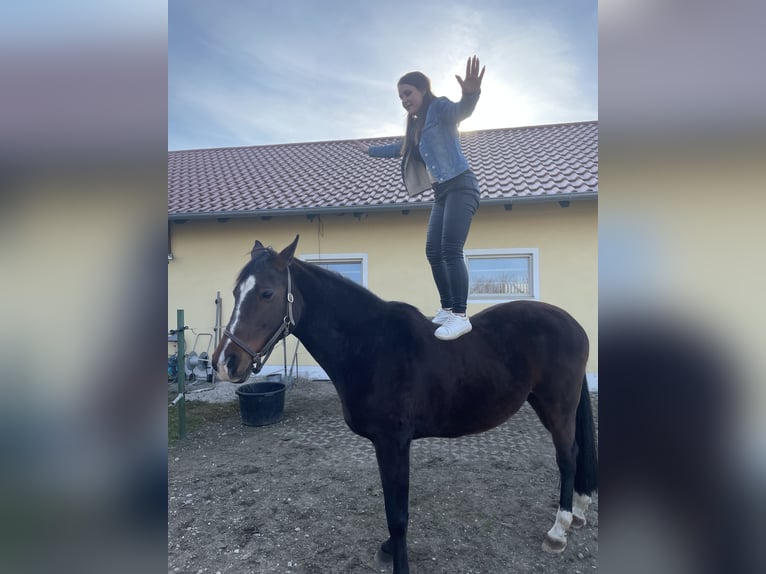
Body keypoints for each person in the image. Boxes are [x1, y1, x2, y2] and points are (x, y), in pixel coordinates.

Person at [353, 55, 485, 340]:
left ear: (423, 90)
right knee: (432, 251)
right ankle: (448, 308)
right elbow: (399, 148)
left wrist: (471, 93)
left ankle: (460, 315)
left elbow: (461, 110)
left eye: (408, 93)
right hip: (442, 193)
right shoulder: (415, 127)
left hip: (462, 186)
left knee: (450, 249)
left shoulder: (438, 109)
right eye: (400, 96)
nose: (404, 100)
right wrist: (370, 151)